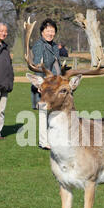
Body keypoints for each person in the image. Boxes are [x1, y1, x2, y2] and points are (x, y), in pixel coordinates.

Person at [31, 18, 61, 150]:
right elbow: (37, 66)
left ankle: (52, 139)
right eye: (48, 30)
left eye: (53, 31)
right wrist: (39, 85)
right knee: (43, 114)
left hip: (55, 85)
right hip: (44, 86)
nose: (50, 33)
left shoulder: (54, 46)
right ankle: (43, 141)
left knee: (54, 113)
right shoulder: (39, 46)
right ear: (42, 32)